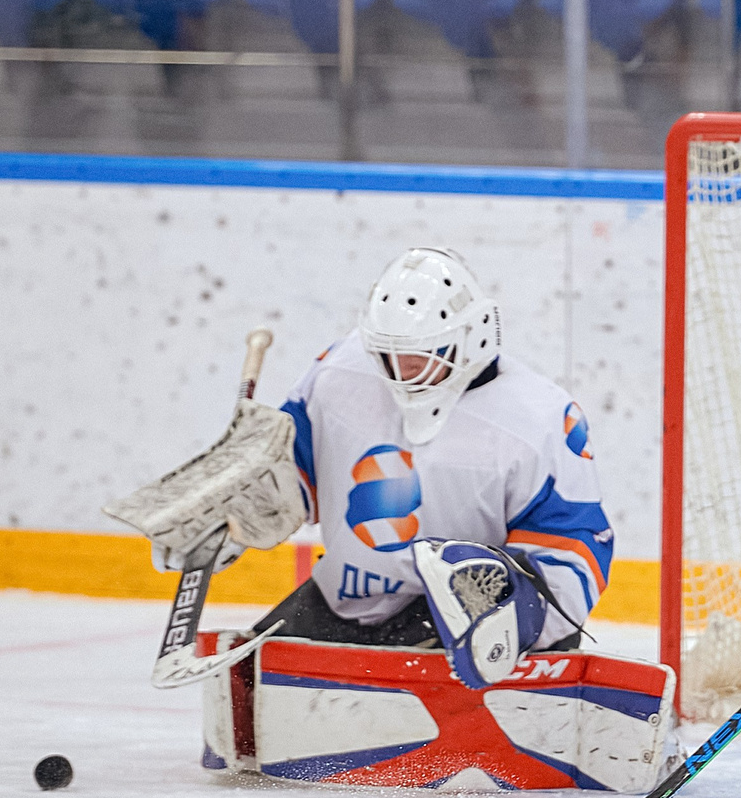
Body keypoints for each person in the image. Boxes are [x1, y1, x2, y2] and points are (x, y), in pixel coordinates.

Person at [253, 246, 615, 689]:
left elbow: (573, 550)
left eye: (424, 353)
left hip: (467, 636)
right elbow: (293, 476)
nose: (403, 370)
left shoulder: (539, 418)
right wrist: (240, 496)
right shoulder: (342, 372)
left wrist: (512, 620)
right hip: (347, 608)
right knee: (246, 702)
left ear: (472, 337)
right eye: (390, 353)